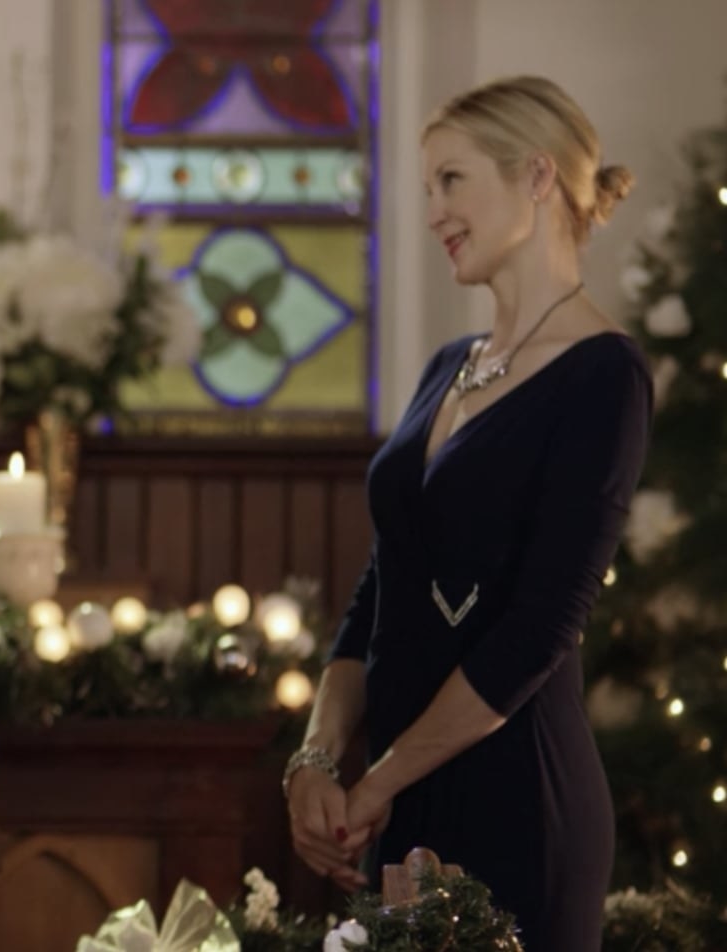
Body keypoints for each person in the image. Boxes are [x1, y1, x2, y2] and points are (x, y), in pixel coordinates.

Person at [286, 75, 641, 950]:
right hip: (405, 796)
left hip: (519, 798)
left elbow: (537, 629)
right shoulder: (449, 363)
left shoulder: (605, 376)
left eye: (452, 180)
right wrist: (318, 758)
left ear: (536, 177)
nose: (435, 211)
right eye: (427, 187)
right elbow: (383, 586)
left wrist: (375, 784)